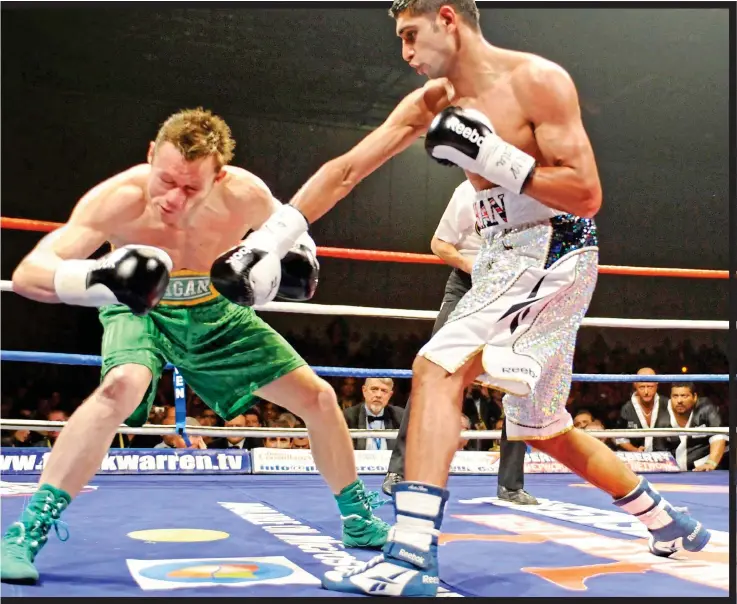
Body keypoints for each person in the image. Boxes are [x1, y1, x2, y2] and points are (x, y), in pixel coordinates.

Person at [232, 0, 711, 595]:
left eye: (411, 35)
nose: (406, 54)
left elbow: (585, 195)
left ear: (447, 17)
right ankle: (670, 523)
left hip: (552, 244)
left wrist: (494, 158)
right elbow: (347, 169)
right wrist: (271, 239)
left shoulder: (537, 81)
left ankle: (410, 556)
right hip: (504, 255)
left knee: (436, 368)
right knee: (542, 426)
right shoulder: (432, 102)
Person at [0, 108, 389, 584]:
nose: (172, 198)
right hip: (139, 307)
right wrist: (99, 276)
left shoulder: (244, 194)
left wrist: (296, 267)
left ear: (218, 175)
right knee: (119, 386)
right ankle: (26, 531)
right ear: (150, 156)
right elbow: (28, 274)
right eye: (165, 180)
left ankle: (357, 519)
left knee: (319, 397)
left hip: (215, 308)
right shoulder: (118, 199)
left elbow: (299, 242)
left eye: (190, 188)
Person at [382, 178, 537, 505]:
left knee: (520, 380)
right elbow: (440, 244)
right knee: (433, 373)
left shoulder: (532, 197)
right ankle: (399, 469)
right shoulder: (468, 193)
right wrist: (476, 267)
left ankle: (511, 484)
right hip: (467, 285)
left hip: (513, 290)